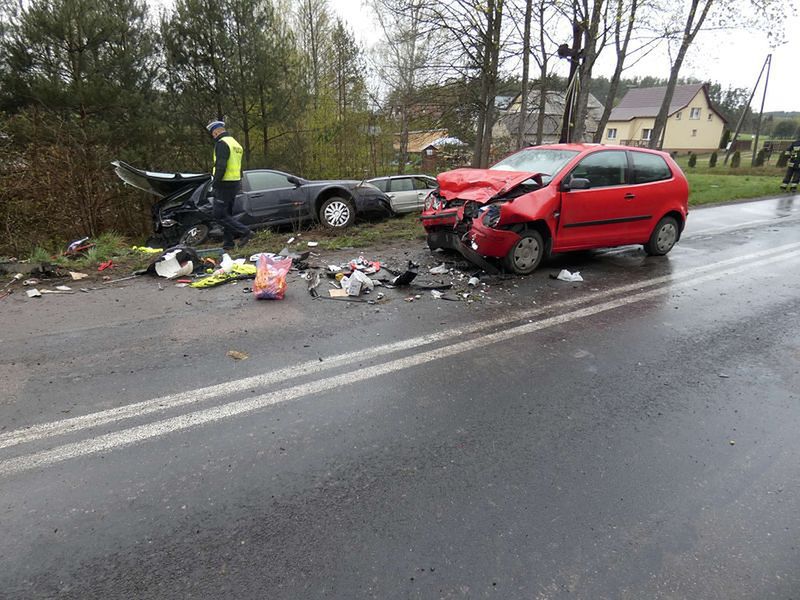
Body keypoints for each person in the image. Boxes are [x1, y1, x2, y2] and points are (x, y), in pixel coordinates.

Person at [206, 120, 253, 249]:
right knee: (227, 214)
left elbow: (221, 166)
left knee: (219, 215)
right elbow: (239, 166)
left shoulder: (222, 143)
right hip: (235, 183)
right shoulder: (236, 144)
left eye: (213, 134)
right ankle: (228, 243)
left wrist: (215, 184)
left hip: (223, 183)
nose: (213, 137)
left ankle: (245, 231)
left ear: (215, 132)